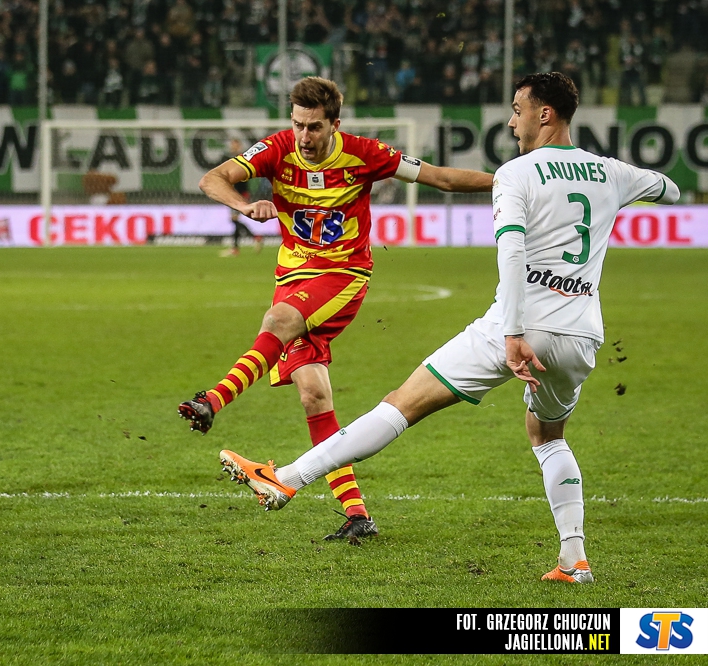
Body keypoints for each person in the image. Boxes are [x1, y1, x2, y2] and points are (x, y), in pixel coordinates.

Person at [218, 72, 680, 580]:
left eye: (517, 110)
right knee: (548, 436)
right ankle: (574, 560)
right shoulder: (609, 171)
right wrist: (617, 186)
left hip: (514, 330)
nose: (512, 122)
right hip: (581, 335)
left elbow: (511, 251)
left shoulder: (516, 173)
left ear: (544, 114)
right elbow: (669, 188)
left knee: (401, 405)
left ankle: (286, 478)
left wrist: (513, 333)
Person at [180, 77, 493, 540]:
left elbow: (441, 178)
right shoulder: (278, 149)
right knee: (313, 395)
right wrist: (243, 206)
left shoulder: (365, 154)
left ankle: (211, 401)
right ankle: (357, 515)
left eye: (314, 127)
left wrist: (507, 182)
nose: (304, 136)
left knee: (278, 321)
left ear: (335, 125)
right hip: (293, 277)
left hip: (343, 274)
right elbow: (213, 179)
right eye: (298, 125)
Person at [219, 138, 262, 257]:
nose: (233, 146)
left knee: (234, 220)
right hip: (236, 192)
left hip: (239, 193)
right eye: (232, 144)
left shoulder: (242, 158)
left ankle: (255, 237)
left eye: (235, 144)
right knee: (235, 220)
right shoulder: (231, 159)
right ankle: (235, 248)